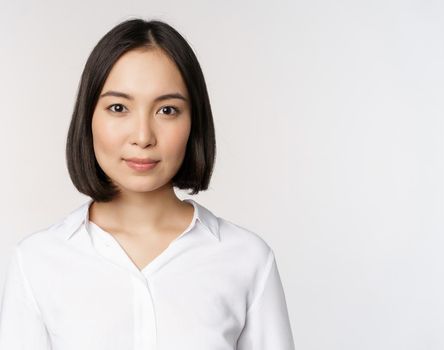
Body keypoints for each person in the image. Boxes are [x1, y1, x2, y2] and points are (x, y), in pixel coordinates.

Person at [0, 18, 295, 350]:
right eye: (118, 108)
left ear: (194, 122)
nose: (142, 136)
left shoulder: (247, 259)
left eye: (167, 110)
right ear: (89, 117)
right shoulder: (37, 261)